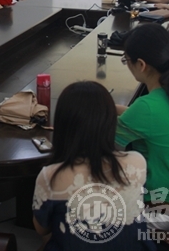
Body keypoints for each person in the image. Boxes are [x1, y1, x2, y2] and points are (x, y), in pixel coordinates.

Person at [33, 81, 151, 250]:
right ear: (110, 122)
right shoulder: (136, 161)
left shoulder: (51, 175)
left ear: (63, 125)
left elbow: (42, 229)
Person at [115, 23, 169, 230]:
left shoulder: (146, 107)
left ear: (141, 64)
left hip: (163, 209)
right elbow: (150, 119)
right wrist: (109, 107)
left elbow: (106, 147)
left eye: (126, 60)